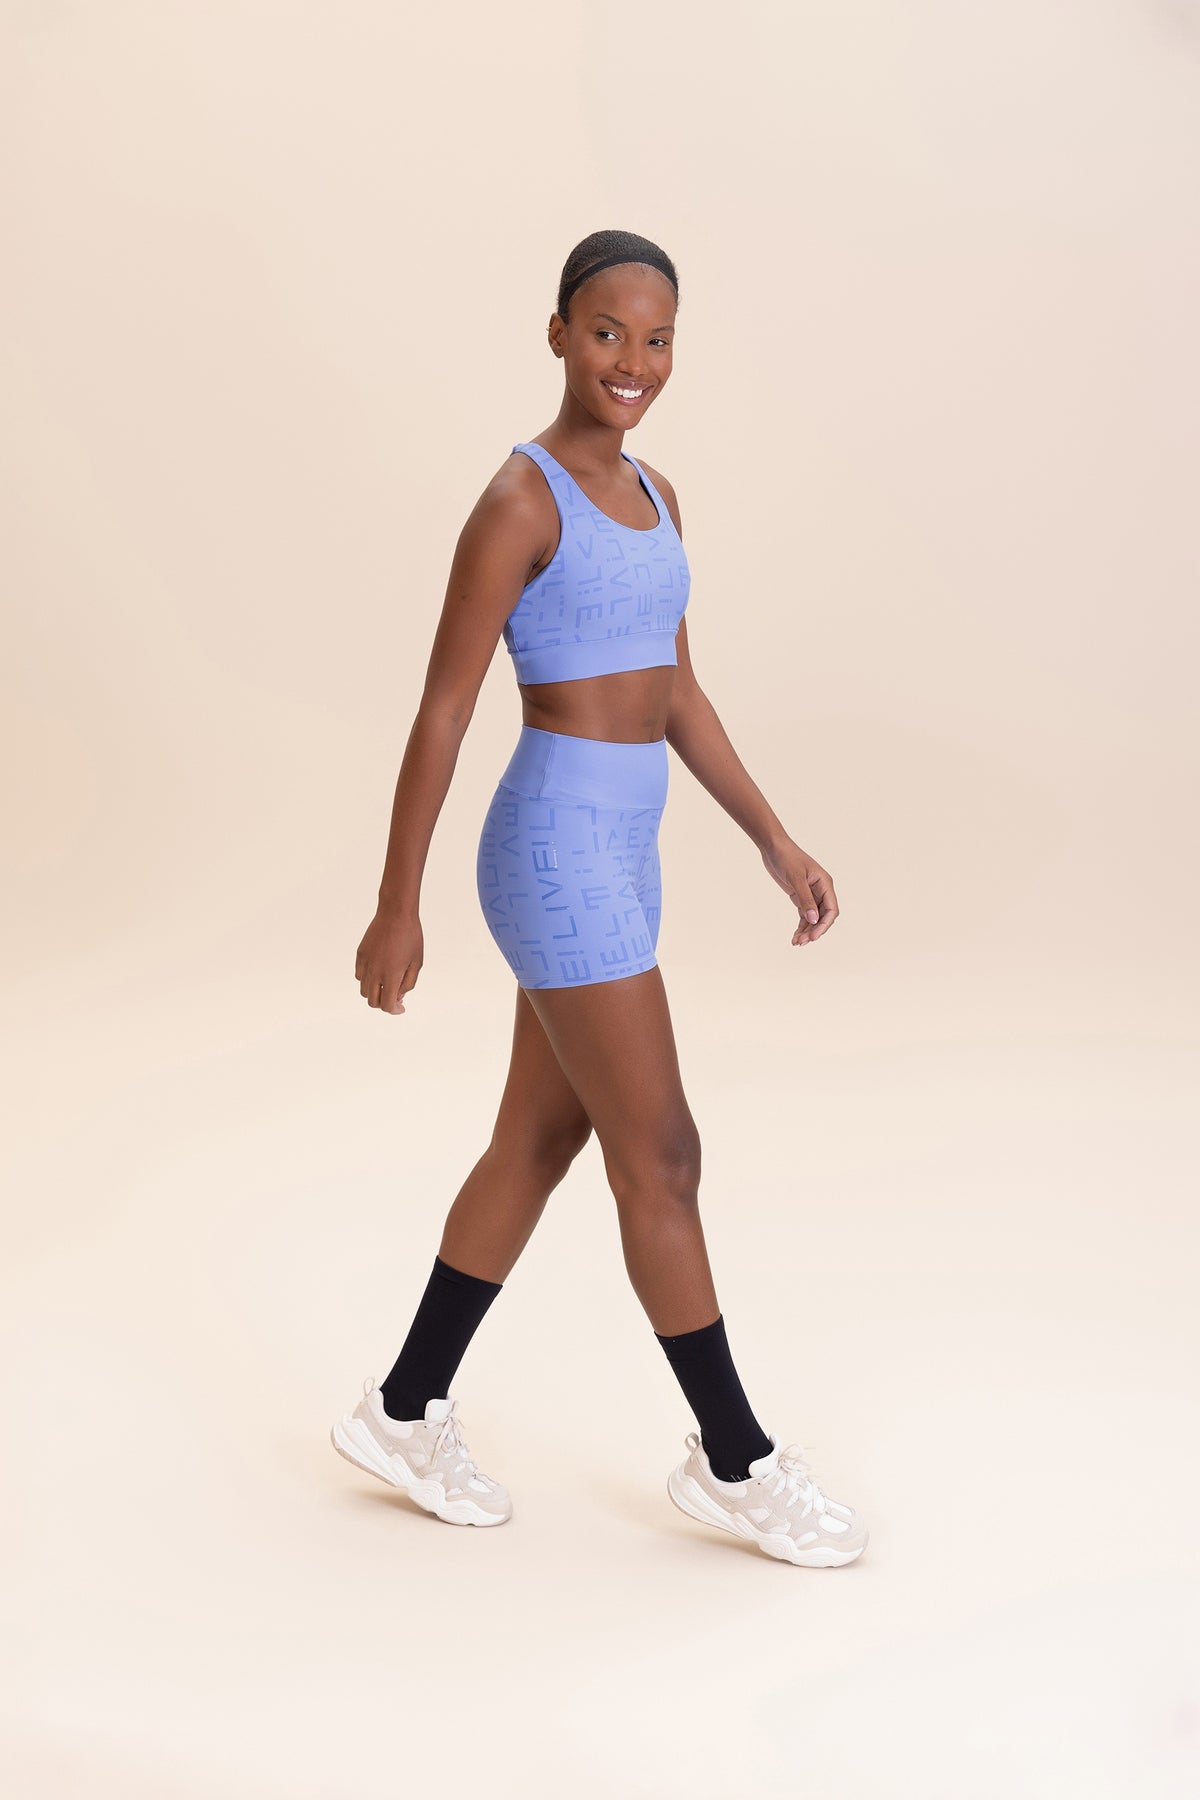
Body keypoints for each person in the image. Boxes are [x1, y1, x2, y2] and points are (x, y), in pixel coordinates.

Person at [331, 229, 869, 1567]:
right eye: (608, 332)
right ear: (561, 334)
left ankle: (402, 1409)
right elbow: (444, 707)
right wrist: (397, 903)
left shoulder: (658, 496)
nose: (633, 360)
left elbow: (675, 686)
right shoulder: (519, 502)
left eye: (657, 338)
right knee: (663, 1155)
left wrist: (771, 837)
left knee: (538, 1141)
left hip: (630, 847)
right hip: (554, 845)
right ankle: (736, 1461)